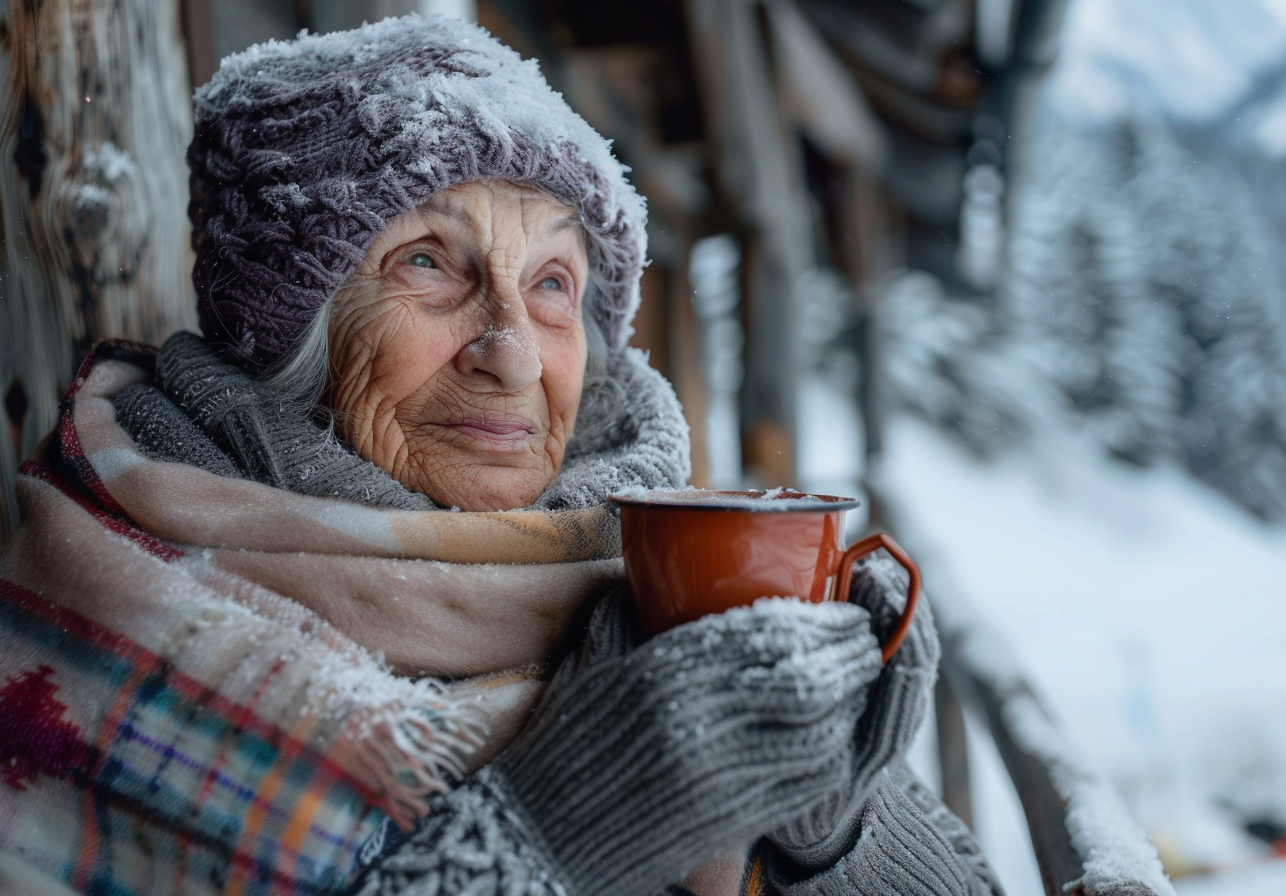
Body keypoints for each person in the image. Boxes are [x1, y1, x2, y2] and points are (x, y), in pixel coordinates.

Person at [0, 15, 1001, 896]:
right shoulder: (94, 618)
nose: (514, 354)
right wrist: (549, 831)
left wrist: (831, 824)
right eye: (428, 264)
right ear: (285, 329)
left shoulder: (633, 577)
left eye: (554, 283)